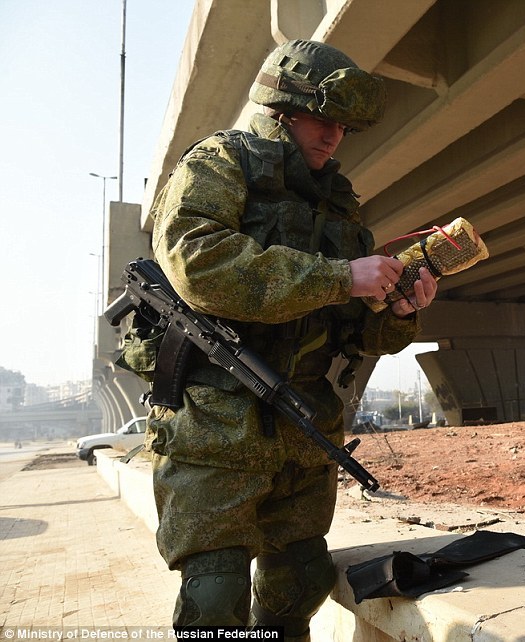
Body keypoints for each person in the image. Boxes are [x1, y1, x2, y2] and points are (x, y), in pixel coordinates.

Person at [118, 39, 436, 635]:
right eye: (323, 118)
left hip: (303, 431)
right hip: (216, 428)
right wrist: (340, 276)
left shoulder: (337, 205)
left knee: (299, 586)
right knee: (215, 599)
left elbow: (358, 333)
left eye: (343, 124)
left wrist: (396, 310)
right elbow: (199, 263)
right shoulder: (217, 164)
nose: (334, 135)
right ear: (281, 110)